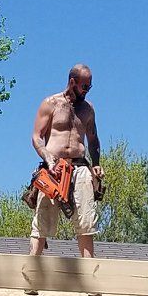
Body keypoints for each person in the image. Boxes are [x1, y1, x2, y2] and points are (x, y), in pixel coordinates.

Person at [28, 64, 101, 257]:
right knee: (42, 221)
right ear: (72, 82)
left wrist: (96, 164)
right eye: (84, 86)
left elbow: (93, 139)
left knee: (86, 222)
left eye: (90, 87)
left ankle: (89, 277)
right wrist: (48, 158)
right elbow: (36, 137)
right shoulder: (51, 103)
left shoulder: (88, 109)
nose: (87, 91)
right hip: (54, 170)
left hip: (80, 167)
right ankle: (31, 275)